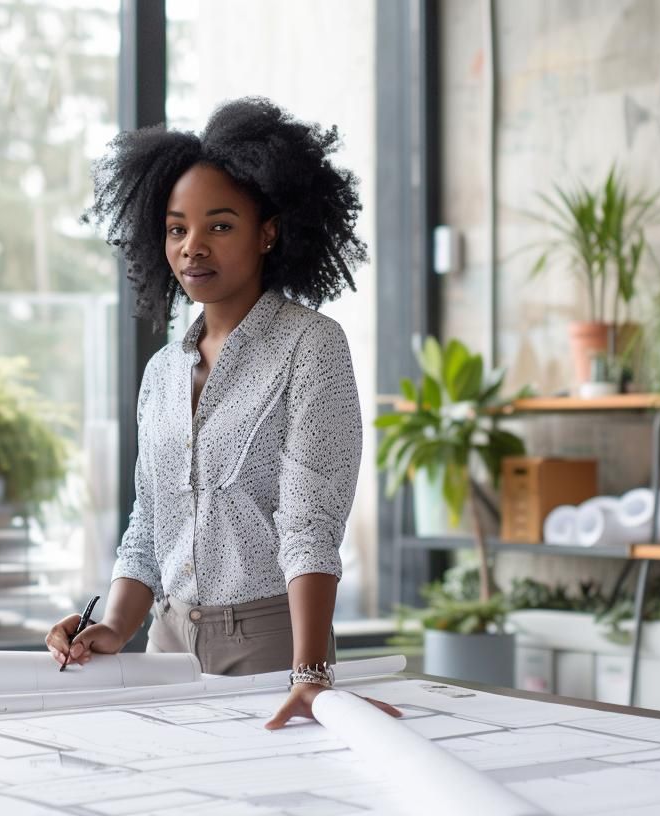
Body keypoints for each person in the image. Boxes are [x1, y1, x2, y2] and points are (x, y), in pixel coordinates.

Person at [46, 97, 400, 729]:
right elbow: (151, 522)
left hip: (271, 649)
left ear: (267, 231)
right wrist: (114, 626)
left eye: (220, 225)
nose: (193, 248)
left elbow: (309, 525)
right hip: (166, 645)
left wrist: (310, 673)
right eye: (177, 229)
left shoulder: (311, 346)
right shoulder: (161, 372)